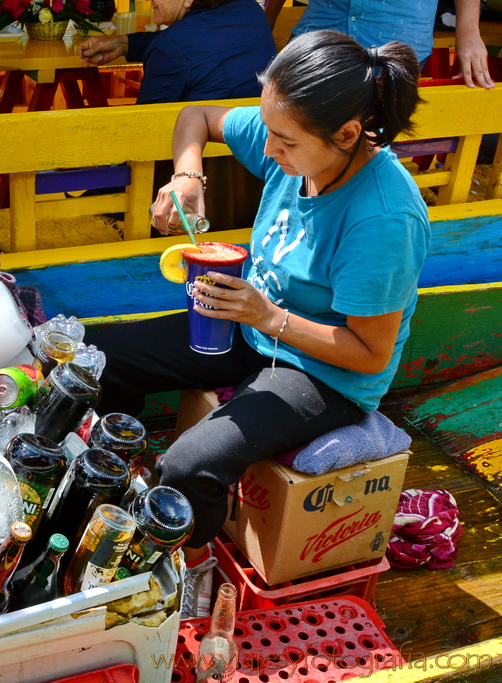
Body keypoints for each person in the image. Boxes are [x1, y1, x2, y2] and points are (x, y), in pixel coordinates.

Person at [86, 30, 431, 618]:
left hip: (325, 371)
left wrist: (267, 315)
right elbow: (196, 114)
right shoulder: (299, 131)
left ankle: (192, 569)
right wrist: (187, 177)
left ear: (348, 136)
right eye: (268, 129)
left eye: (284, 141)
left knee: (189, 465)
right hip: (250, 325)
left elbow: (370, 355)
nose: (269, 149)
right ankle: (111, 478)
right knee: (98, 357)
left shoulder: (383, 217)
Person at [77, 0, 276, 104]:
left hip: (199, 166)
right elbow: (199, 40)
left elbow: (143, 127)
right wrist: (123, 44)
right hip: (257, 160)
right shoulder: (249, 11)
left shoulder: (169, 48)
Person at [288, 0, 495, 89]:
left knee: (368, 141)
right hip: (321, 25)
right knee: (294, 131)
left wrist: (469, 33)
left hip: (395, 35)